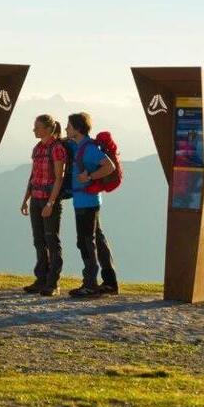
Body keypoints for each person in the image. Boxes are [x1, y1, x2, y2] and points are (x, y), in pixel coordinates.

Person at [65, 112, 119, 298]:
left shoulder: (88, 149)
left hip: (86, 203)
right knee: (98, 240)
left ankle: (90, 284)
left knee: (85, 242)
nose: (66, 129)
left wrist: (89, 176)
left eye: (69, 126)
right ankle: (110, 282)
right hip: (89, 201)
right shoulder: (81, 145)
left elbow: (109, 166)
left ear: (78, 129)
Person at [20, 114, 66, 296]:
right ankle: (41, 280)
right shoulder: (37, 148)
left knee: (52, 241)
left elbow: (59, 178)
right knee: (39, 240)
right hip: (36, 199)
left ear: (48, 129)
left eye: (37, 127)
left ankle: (53, 283)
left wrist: (51, 203)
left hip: (48, 200)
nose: (34, 130)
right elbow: (33, 176)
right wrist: (26, 199)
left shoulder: (57, 149)